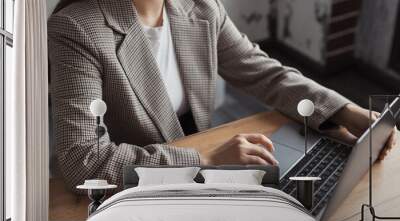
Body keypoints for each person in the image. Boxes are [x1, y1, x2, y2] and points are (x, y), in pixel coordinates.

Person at [48, 0, 396, 192]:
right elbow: (85, 160)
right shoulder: (77, 27)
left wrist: (348, 112)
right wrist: (206, 159)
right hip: (133, 195)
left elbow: (265, 73)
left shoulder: (201, 8)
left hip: (200, 183)